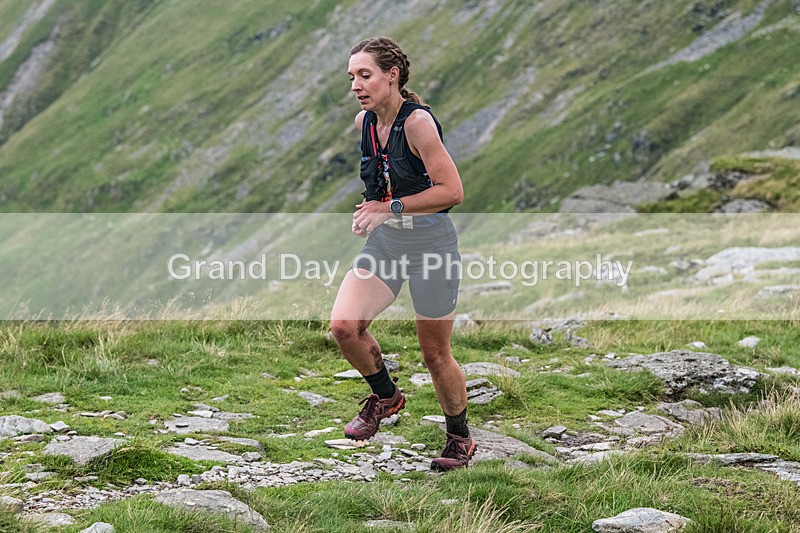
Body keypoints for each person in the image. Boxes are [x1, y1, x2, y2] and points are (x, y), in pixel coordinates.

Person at [329, 37, 475, 471]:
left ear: (392, 75)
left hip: (432, 244)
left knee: (434, 354)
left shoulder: (418, 124)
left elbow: (453, 192)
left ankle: (459, 438)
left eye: (365, 74)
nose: (356, 84)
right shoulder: (364, 123)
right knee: (344, 327)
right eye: (352, 76)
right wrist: (368, 211)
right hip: (389, 243)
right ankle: (386, 396)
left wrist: (387, 207)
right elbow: (382, 183)